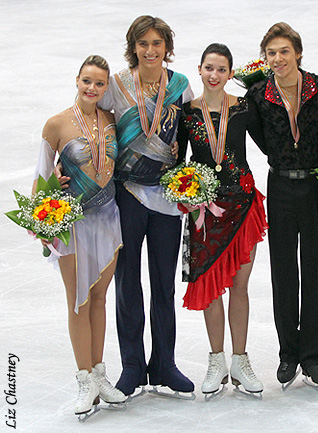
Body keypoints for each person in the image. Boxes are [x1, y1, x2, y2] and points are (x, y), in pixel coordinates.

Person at [99, 15, 195, 397]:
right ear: (133, 47)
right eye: (144, 44)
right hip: (127, 195)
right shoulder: (117, 87)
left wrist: (187, 178)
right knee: (127, 283)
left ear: (166, 46)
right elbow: (99, 128)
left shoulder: (181, 86)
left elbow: (187, 137)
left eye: (157, 43)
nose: (150, 51)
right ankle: (133, 366)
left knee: (163, 283)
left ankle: (165, 364)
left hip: (167, 198)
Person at [247, 22, 318, 387]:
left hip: (316, 187)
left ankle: (314, 357)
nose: (278, 58)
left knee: (316, 270)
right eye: (271, 53)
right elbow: (257, 136)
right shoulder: (259, 95)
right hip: (282, 187)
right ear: (265, 57)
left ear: (297, 53)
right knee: (283, 271)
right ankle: (289, 353)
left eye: (284, 51)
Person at [34, 55, 126, 416]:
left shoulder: (111, 120)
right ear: (77, 80)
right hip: (72, 221)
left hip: (108, 218)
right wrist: (47, 209)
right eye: (87, 81)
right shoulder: (56, 123)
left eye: (100, 83)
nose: (92, 88)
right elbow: (42, 177)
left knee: (100, 298)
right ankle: (85, 379)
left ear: (106, 88)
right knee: (79, 301)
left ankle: (100, 373)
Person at [177, 43, 268, 396]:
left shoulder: (244, 107)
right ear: (199, 70)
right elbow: (176, 159)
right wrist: (182, 190)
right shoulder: (187, 113)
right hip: (205, 212)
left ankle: (241, 361)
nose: (214, 75)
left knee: (240, 287)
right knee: (211, 288)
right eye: (208, 68)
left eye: (221, 69)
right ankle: (217, 360)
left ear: (231, 74)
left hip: (242, 207)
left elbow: (268, 144)